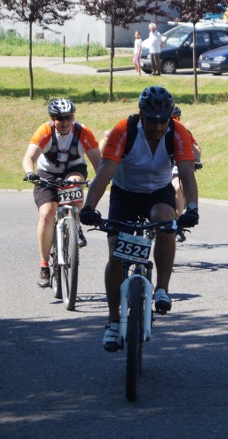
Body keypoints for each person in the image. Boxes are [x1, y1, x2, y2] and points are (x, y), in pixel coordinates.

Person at [79, 86, 199, 352]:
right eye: (151, 120)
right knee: (117, 256)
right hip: (125, 194)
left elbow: (188, 174)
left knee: (166, 220)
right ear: (141, 115)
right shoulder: (124, 130)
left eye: (162, 121)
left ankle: (162, 289)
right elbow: (104, 173)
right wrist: (88, 207)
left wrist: (191, 208)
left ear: (170, 118)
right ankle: (112, 320)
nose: (157, 127)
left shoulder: (178, 133)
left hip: (159, 193)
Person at [22, 98, 102, 287]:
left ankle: (76, 225)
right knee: (47, 214)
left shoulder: (83, 133)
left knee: (75, 184)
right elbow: (29, 157)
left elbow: (98, 162)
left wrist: (102, 178)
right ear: (52, 118)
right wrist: (30, 173)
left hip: (73, 171)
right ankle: (44, 265)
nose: (65, 122)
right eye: (60, 118)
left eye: (68, 117)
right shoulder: (45, 131)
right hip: (46, 175)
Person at [169, 105, 203, 243]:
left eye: (176, 118)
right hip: (163, 165)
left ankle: (178, 221)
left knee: (178, 187)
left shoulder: (183, 130)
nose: (174, 121)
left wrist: (196, 159)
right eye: (171, 118)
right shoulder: (155, 129)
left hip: (177, 163)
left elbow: (195, 147)